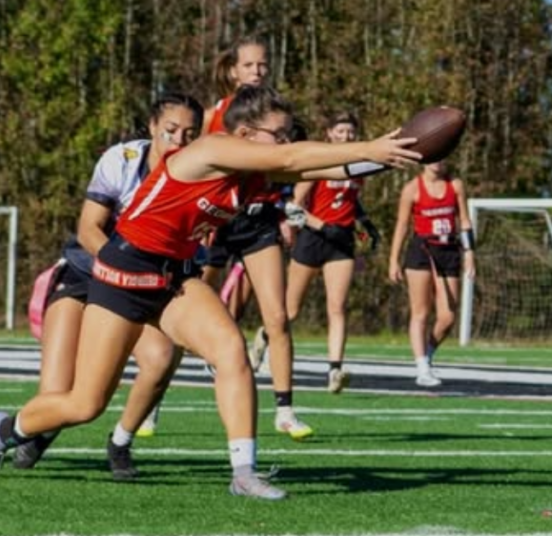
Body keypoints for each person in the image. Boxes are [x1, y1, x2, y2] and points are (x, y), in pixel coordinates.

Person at [0, 85, 421, 500]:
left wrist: (392, 154)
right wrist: (371, 145)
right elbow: (291, 160)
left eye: (288, 134)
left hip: (174, 274)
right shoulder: (214, 147)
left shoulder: (253, 170)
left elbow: (323, 165)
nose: (286, 141)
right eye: (278, 133)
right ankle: (3, 431)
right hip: (126, 270)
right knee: (85, 403)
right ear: (245, 131)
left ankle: (244, 472)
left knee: (231, 350)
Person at [17, 93, 203, 479]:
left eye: (190, 134)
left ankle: (120, 442)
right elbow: (88, 229)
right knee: (58, 397)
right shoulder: (123, 160)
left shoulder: (199, 174)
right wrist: (124, 271)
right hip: (86, 275)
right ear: (152, 127)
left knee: (160, 358)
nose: (179, 142)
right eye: (170, 131)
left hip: (135, 286)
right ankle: (12, 431)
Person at [196, 36, 314, 440]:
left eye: (263, 65)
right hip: (218, 219)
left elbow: (290, 165)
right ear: (233, 70)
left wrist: (284, 208)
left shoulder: (276, 117)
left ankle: (285, 409)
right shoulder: (216, 115)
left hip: (259, 221)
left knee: (277, 316)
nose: (257, 72)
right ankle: (152, 403)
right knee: (190, 309)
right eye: (249, 66)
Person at [286, 111, 382, 394]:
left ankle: (335, 370)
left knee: (337, 307)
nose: (346, 136)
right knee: (290, 310)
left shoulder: (358, 167)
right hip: (312, 239)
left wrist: (366, 227)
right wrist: (321, 226)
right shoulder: (319, 162)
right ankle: (265, 340)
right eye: (340, 131)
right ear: (329, 133)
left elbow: (351, 204)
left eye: (351, 132)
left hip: (341, 244)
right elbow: (292, 207)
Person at [387, 161, 476, 386]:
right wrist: (393, 259)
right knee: (421, 312)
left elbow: (464, 221)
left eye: (442, 156)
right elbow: (402, 226)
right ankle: (422, 368)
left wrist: (469, 253)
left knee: (448, 316)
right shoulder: (412, 189)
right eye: (433, 156)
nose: (438, 161)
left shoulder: (455, 185)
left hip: (448, 250)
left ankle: (427, 353)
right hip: (422, 250)